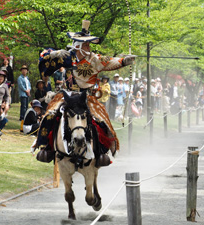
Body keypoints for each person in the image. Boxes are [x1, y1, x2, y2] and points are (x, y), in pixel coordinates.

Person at [36, 20, 135, 163]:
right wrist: (55, 54)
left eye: (89, 44)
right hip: (67, 95)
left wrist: (124, 61)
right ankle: (46, 148)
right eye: (86, 44)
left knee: (101, 120)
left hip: (87, 96)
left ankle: (102, 152)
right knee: (50, 114)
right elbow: (44, 56)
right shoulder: (67, 56)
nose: (89, 47)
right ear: (78, 46)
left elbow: (110, 61)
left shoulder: (94, 59)